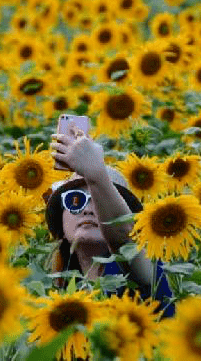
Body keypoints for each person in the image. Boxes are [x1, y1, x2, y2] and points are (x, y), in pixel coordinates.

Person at [47, 126, 174, 317]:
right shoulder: (60, 294)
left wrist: (96, 175)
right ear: (61, 225)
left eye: (98, 200)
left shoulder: (143, 267)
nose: (88, 208)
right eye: (76, 200)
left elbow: (124, 242)